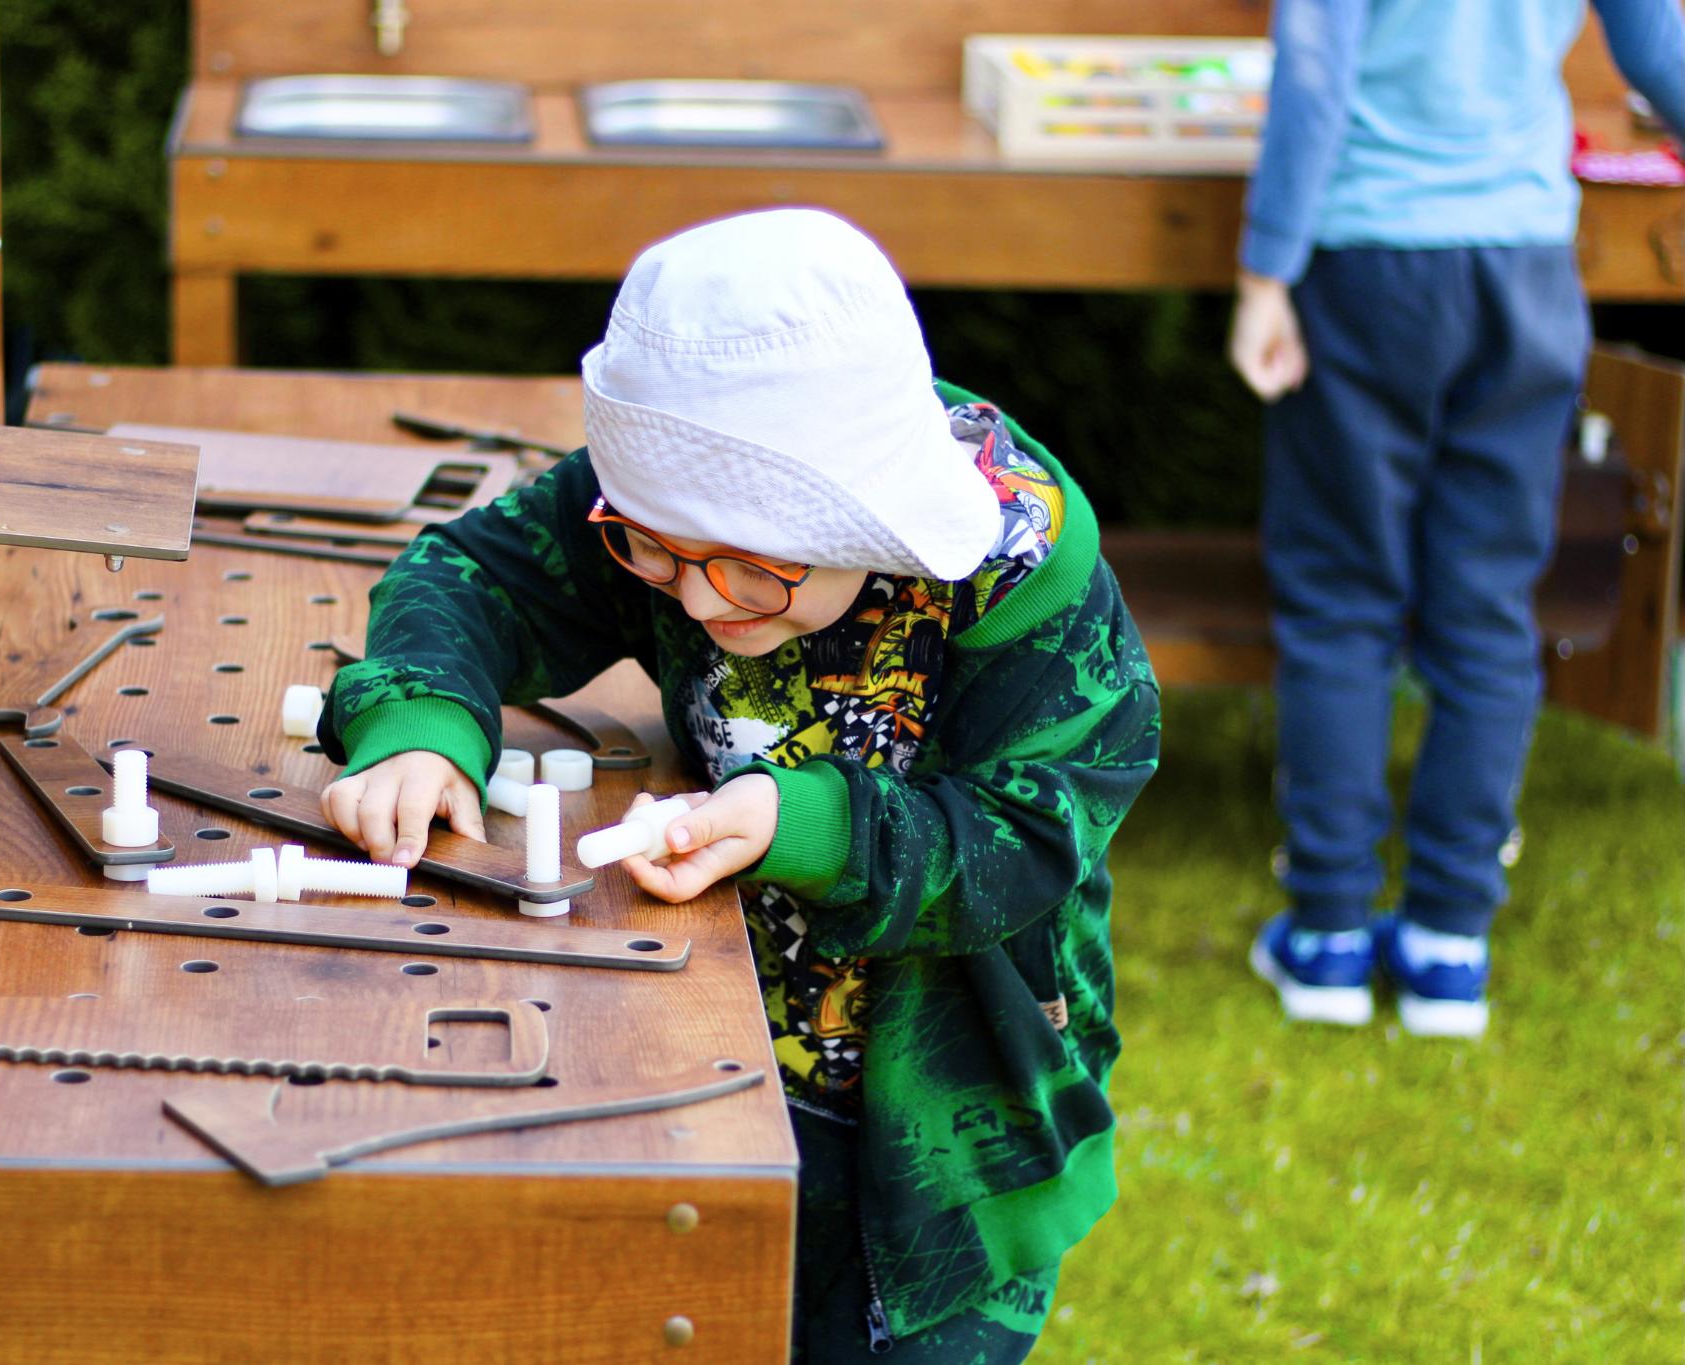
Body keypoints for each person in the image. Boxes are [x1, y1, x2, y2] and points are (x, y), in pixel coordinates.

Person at [316, 209, 1160, 1362]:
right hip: (713, 1058)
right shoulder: (666, 505)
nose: (701, 602)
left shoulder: (1024, 583)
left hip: (955, 1120)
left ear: (869, 518)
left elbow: (1028, 840)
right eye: (654, 555)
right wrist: (417, 727)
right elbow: (472, 576)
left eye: (755, 572)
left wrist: (800, 823)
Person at [1230, 0, 1685, 1038]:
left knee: (1340, 600)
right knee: (1487, 609)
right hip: (1523, 265)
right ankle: (1449, 944)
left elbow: (1314, 76)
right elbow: (1659, 51)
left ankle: (1329, 936)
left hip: (1367, 261)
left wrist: (1264, 272)